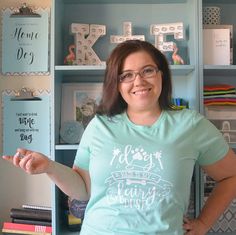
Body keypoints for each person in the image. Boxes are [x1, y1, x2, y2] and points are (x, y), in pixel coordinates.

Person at [2, 40, 236, 235]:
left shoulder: (190, 125)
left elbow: (231, 175)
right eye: (126, 75)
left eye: (147, 70)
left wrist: (204, 223)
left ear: (161, 74)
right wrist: (49, 167)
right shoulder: (100, 125)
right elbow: (83, 190)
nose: (139, 81)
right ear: (117, 83)